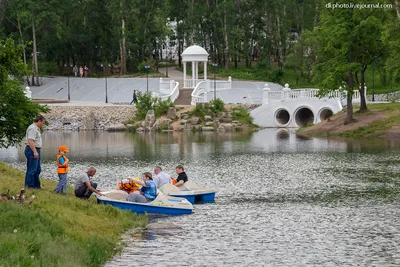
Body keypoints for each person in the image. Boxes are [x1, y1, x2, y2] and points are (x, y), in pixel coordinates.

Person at [24, 115, 46, 189]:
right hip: (32, 149)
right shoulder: (32, 128)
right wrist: (35, 151)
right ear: (39, 121)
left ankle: (36, 185)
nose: (43, 124)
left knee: (37, 169)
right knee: (32, 169)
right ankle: (29, 185)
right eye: (43, 123)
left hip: (36, 149)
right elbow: (30, 140)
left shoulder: (37, 128)